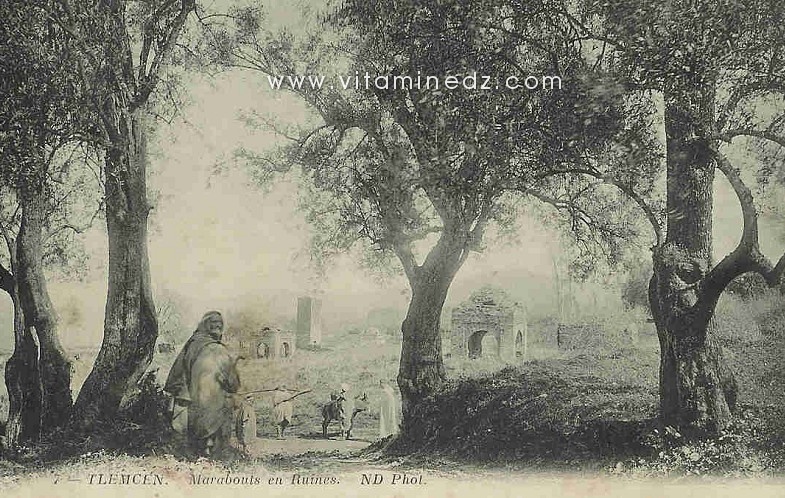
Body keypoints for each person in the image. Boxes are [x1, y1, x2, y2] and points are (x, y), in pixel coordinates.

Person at [164, 311, 240, 457]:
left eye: (220, 324)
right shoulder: (218, 350)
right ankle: (212, 454)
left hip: (188, 404)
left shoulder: (192, 344)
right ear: (208, 326)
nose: (218, 327)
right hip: (210, 409)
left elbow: (177, 374)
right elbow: (232, 382)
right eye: (215, 324)